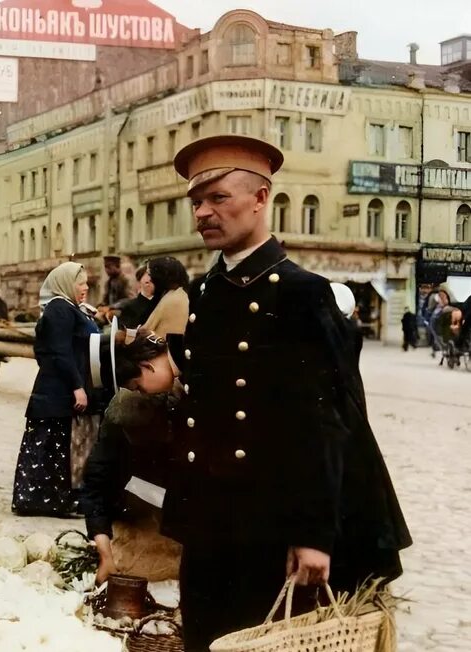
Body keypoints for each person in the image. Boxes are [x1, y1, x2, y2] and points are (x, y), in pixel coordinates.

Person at [170, 135, 411, 650]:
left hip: (270, 524)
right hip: (210, 520)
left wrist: (314, 534)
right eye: (196, 202)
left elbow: (327, 423)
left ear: (261, 200)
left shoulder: (303, 293)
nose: (203, 213)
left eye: (219, 198)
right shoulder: (205, 293)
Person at [84, 328, 184, 586]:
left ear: (147, 366)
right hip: (150, 517)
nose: (142, 393)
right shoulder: (123, 414)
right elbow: (97, 481)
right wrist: (105, 553)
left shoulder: (186, 388)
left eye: (139, 387)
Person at [12, 261, 98, 517]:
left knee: (53, 447)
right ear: (65, 284)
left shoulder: (67, 308)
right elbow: (60, 352)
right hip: (56, 392)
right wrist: (77, 386)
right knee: (51, 448)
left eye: (85, 282)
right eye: (79, 283)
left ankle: (47, 500)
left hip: (55, 391)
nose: (85, 287)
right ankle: (45, 502)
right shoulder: (60, 309)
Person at [140, 257, 190, 336]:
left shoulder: (175, 299)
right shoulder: (171, 294)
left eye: (150, 275)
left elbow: (165, 340)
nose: (149, 281)